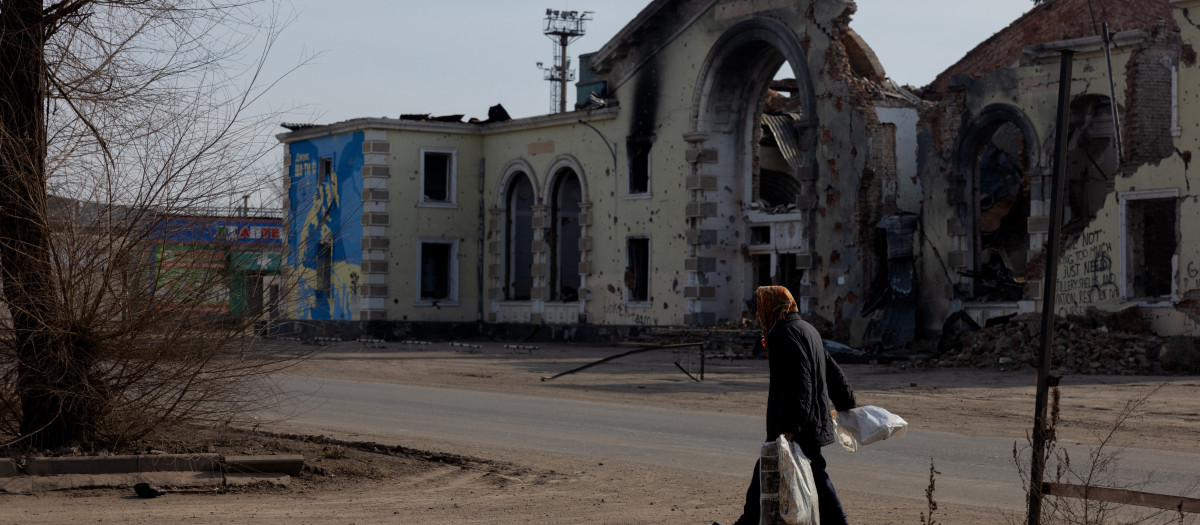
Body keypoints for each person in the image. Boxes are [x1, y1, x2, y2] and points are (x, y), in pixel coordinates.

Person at [716, 286, 857, 525]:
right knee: (769, 472)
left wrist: (791, 428)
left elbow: (799, 382)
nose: (759, 314)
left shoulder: (782, 334)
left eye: (761, 307)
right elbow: (832, 370)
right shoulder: (806, 328)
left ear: (770, 307)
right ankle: (747, 522)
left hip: (795, 423)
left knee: (804, 475)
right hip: (810, 419)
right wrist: (846, 401)